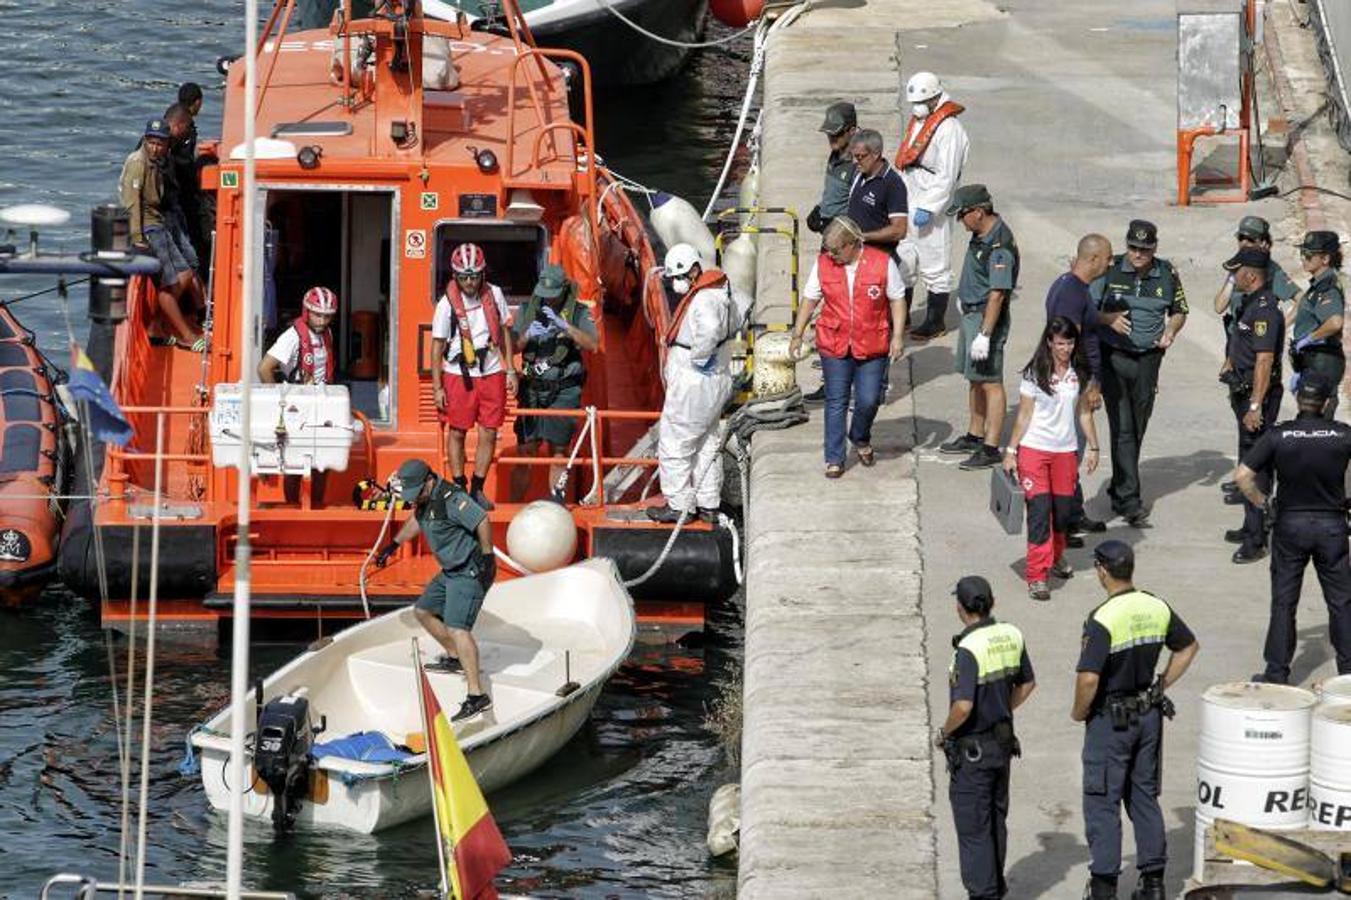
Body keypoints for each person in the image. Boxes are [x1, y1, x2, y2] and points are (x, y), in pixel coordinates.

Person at [1073, 540, 1199, 900]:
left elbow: (1088, 678)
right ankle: (1154, 883)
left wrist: (1079, 711)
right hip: (1148, 715)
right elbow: (1188, 646)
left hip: (1110, 722)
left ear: (1101, 570)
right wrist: (1161, 684)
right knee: (1143, 794)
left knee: (1102, 800)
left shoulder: (1102, 618)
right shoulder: (1156, 605)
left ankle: (1103, 886)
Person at [1235, 373, 1351, 684]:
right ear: (1326, 402)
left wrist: (1264, 503)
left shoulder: (1279, 435)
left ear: (1298, 399)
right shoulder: (1342, 435)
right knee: (1341, 602)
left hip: (1290, 524)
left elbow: (1243, 476)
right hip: (1332, 525)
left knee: (1284, 602)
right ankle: (1348, 673)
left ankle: (1276, 673)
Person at [937, 576, 1036, 900]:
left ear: (960, 609)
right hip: (1002, 745)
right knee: (996, 820)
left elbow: (963, 706)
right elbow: (1026, 684)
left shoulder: (967, 650)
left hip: (973, 753)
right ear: (992, 602)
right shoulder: (1011, 634)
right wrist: (1000, 710)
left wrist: (944, 732)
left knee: (974, 830)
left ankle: (983, 894)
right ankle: (995, 887)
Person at [376, 458, 495, 722]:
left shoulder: (451, 499)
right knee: (423, 611)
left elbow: (482, 521)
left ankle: (477, 696)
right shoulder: (424, 500)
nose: (413, 499)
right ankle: (455, 656)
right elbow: (417, 521)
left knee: (458, 628)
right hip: (450, 571)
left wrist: (487, 557)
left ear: (429, 481)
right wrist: (392, 546)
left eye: (415, 493)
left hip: (470, 569)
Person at [789, 216, 907, 478]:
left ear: (853, 244)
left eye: (836, 250)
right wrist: (797, 334)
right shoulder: (823, 265)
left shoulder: (882, 263)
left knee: (869, 398)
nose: (832, 255)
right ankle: (834, 457)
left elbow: (897, 300)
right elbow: (810, 299)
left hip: (872, 343)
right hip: (834, 343)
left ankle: (860, 435)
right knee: (836, 401)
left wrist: (897, 336)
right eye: (829, 250)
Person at [1090, 220, 1188, 527]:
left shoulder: (1167, 273)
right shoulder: (1111, 269)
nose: (1137, 254)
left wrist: (1171, 330)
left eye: (1144, 249)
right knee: (1122, 427)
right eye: (1133, 247)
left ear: (1154, 248)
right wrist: (1109, 320)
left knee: (1138, 425)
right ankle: (1130, 500)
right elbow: (1088, 310)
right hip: (1114, 357)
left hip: (1149, 359)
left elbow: (1180, 309)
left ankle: (1121, 485)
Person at [648, 243, 749, 524]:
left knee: (675, 443)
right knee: (706, 441)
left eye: (678, 278)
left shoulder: (704, 299)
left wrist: (698, 359)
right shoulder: (724, 292)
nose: (676, 284)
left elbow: (707, 335)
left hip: (696, 381)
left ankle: (679, 504)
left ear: (693, 270)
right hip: (716, 379)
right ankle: (708, 503)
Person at [1002, 318, 1101, 601]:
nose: (1065, 349)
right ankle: (1037, 575)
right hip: (1034, 450)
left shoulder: (1079, 372)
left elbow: (1084, 413)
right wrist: (1011, 451)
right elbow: (1023, 416)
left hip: (1065, 452)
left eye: (1070, 343)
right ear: (1049, 342)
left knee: (1062, 513)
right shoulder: (1034, 373)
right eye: (1060, 343)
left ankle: (1055, 557)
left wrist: (1093, 447)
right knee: (1039, 513)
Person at [1045, 234, 1129, 542]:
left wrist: (1109, 320)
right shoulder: (1072, 295)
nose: (1110, 263)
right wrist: (1088, 386)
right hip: (1074, 386)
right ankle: (1061, 525)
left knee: (1071, 455)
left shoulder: (1072, 287)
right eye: (1107, 258)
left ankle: (1074, 514)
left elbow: (1088, 319)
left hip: (1075, 382)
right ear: (1093, 259)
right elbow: (1069, 344)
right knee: (1069, 455)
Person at [431, 242, 517, 512]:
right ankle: (458, 486)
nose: (469, 282)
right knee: (457, 431)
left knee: (490, 431)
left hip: (491, 371)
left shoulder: (496, 294)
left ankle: (477, 489)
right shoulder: (446, 305)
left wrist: (511, 368)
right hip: (458, 374)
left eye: (474, 275)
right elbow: (436, 347)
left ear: (482, 274)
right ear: (455, 276)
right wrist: (437, 388)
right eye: (464, 276)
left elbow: (503, 331)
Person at [939, 184, 1018, 471]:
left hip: (987, 320)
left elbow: (997, 294)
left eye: (963, 215)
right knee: (975, 378)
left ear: (979, 211)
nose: (961, 221)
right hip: (973, 315)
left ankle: (990, 446)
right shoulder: (980, 234)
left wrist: (985, 335)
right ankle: (975, 434)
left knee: (990, 382)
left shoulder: (999, 245)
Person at [510, 264, 599, 502]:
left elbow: (593, 344)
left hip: (563, 390)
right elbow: (510, 347)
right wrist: (527, 335)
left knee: (558, 452)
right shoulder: (527, 310)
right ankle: (514, 506)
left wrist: (566, 328)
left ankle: (555, 507)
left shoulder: (578, 312)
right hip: (532, 389)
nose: (548, 300)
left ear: (563, 290)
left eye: (553, 296)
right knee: (525, 452)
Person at [1218, 246, 1284, 563]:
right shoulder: (1249, 304)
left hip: (1256, 398)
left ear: (1252, 274)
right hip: (1243, 392)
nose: (1233, 276)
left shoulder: (1266, 310)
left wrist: (1255, 406)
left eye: (1236, 272)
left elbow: (1265, 360)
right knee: (1247, 458)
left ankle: (1257, 539)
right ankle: (1250, 526)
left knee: (1255, 466)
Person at [895, 71, 970, 342]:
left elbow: (947, 176)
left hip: (932, 206)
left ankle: (935, 320)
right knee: (903, 260)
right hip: (909, 195)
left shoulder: (950, 130)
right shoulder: (919, 121)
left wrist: (930, 206)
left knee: (934, 264)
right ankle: (900, 318)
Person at [119, 117, 205, 350]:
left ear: (168, 144)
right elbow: (131, 203)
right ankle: (186, 336)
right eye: (152, 142)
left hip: (160, 221)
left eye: (160, 143)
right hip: (149, 226)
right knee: (171, 282)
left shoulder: (160, 160)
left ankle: (157, 323)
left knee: (186, 274)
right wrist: (138, 238)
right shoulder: (138, 162)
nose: (155, 147)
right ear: (146, 141)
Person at [258, 286, 339, 505]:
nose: (322, 321)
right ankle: (294, 505)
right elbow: (265, 368)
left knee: (323, 462)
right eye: (318, 315)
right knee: (295, 463)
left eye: (327, 316)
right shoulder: (292, 337)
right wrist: (279, 400)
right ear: (307, 312)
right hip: (297, 405)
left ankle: (317, 505)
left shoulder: (327, 334)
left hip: (321, 404)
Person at [1212, 216, 1299, 338]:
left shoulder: (1271, 270)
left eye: (1250, 240)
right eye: (1241, 238)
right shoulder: (1237, 265)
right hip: (1236, 338)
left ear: (1263, 242)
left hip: (1258, 341)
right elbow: (1219, 307)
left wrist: (1281, 327)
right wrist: (1232, 278)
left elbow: (1302, 300)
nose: (1244, 243)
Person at [1288, 230, 1345, 416]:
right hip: (1313, 360)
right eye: (1302, 253)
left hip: (1324, 361)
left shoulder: (1328, 287)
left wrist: (1309, 339)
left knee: (1320, 424)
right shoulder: (1317, 285)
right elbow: (1303, 305)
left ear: (1325, 258)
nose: (1303, 258)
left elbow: (1335, 322)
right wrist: (1281, 327)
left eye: (1309, 255)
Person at [845, 129, 909, 256]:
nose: (855, 161)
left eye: (860, 156)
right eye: (853, 156)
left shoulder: (893, 184)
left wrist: (862, 237)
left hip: (879, 259)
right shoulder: (858, 175)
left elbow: (899, 230)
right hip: (856, 255)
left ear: (876, 154)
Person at [806, 101, 858, 234]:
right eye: (829, 134)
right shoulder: (835, 154)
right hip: (829, 234)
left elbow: (863, 206)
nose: (832, 138)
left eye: (837, 134)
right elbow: (835, 194)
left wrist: (835, 224)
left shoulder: (858, 163)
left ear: (851, 131)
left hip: (844, 237)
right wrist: (820, 209)